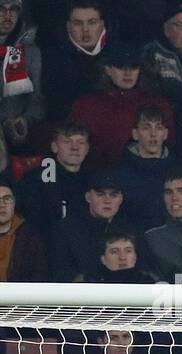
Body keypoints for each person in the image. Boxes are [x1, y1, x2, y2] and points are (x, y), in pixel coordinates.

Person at [69, 43, 176, 171]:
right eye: (121, 67)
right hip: (98, 180)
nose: (128, 73)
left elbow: (170, 146)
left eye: (133, 67)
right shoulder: (86, 106)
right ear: (108, 70)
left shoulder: (158, 104)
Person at [48, 170, 141, 283]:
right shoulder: (65, 230)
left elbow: (145, 270)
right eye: (100, 194)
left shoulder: (131, 229)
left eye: (114, 195)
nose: (107, 201)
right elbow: (61, 276)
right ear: (88, 197)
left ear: (121, 199)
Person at [14, 120, 90, 239]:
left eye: (80, 142)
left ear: (87, 149)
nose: (75, 148)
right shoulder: (36, 180)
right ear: (54, 147)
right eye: (67, 142)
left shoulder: (93, 181)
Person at [41, 3, 111, 121]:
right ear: (68, 26)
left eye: (92, 22)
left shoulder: (114, 53)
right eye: (78, 23)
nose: (85, 30)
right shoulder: (54, 61)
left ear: (102, 25)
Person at [114, 105, 176, 230]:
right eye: (146, 128)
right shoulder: (119, 173)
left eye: (158, 128)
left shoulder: (178, 170)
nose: (153, 134)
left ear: (165, 134)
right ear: (135, 134)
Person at [0, 1, 41, 156]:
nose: (8, 15)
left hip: (15, 139)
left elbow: (38, 98)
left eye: (14, 9)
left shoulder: (30, 52)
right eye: (1, 9)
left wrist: (25, 120)